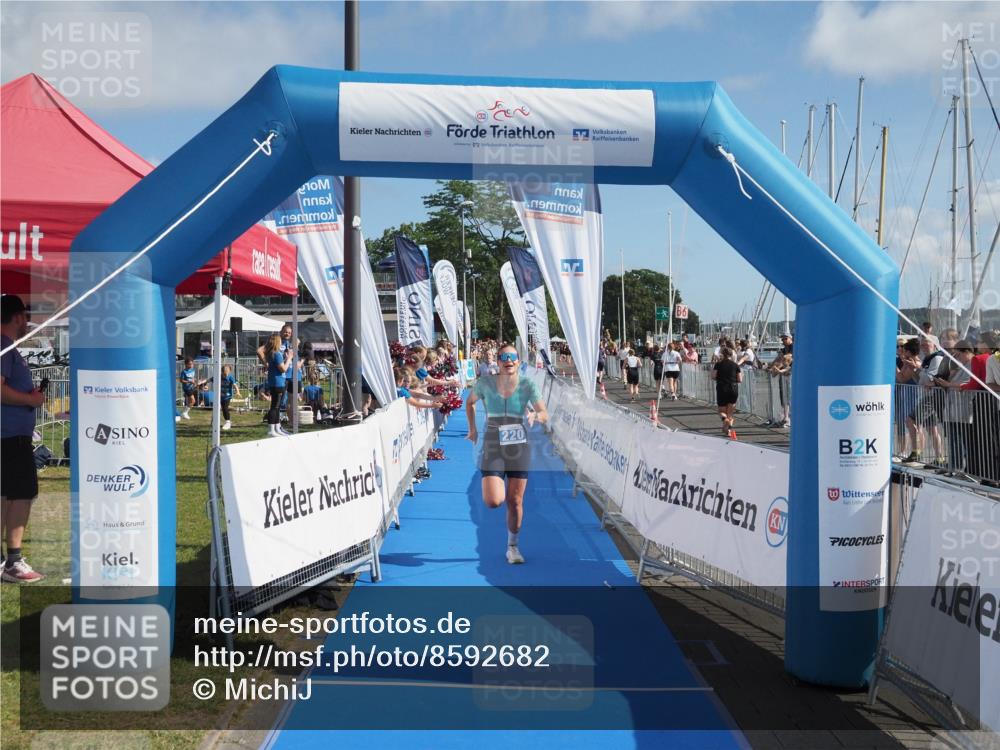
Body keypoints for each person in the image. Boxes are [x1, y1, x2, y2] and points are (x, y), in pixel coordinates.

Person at [465, 345, 548, 565]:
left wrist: (535, 417)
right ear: (498, 362)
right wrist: (472, 428)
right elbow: (469, 402)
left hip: (519, 444)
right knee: (493, 501)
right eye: (504, 357)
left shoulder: (528, 384)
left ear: (518, 361)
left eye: (512, 357)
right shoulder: (485, 383)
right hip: (493, 442)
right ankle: (497, 488)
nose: (508, 360)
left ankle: (513, 547)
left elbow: (544, 412)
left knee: (515, 500)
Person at [1, 295, 45, 582]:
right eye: (25, 316)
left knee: (12, 495)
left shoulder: (9, 348)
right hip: (9, 439)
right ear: (17, 317)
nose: (27, 322)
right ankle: (13, 562)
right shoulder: (4, 346)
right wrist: (31, 399)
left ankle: (11, 561)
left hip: (13, 438)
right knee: (18, 495)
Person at [711, 347, 743, 438]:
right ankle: (728, 430)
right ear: (731, 355)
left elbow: (713, 376)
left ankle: (725, 421)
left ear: (722, 354)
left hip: (722, 387)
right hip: (733, 388)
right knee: (730, 412)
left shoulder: (718, 364)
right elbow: (740, 379)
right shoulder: (735, 365)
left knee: (721, 411)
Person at [264, 333, 291, 437]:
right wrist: (289, 358)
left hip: (275, 381)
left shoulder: (272, 353)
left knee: (277, 406)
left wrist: (285, 359)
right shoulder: (277, 354)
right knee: (275, 406)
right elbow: (283, 368)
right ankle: (271, 429)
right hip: (278, 382)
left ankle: (277, 427)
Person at [219, 363, 240, 431]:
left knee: (225, 408)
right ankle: (224, 421)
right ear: (222, 372)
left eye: (227, 373)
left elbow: (235, 385)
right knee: (223, 408)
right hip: (221, 396)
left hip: (227, 396)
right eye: (224, 374)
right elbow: (211, 379)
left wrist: (238, 392)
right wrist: (204, 382)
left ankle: (228, 422)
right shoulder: (219, 376)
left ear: (229, 372)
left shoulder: (231, 377)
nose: (226, 375)